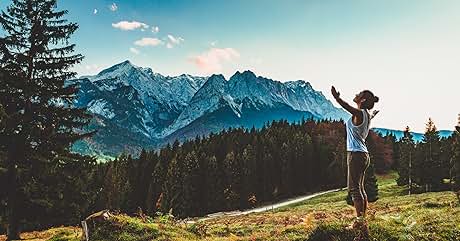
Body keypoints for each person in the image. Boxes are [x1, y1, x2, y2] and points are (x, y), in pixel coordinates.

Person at [331, 86, 379, 232]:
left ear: (362, 100)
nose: (355, 94)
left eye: (358, 94)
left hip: (356, 155)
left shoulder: (359, 113)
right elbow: (369, 116)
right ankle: (362, 220)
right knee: (360, 188)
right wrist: (373, 114)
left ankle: (359, 224)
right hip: (363, 154)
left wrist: (337, 98)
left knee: (354, 189)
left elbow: (347, 107)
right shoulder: (366, 114)